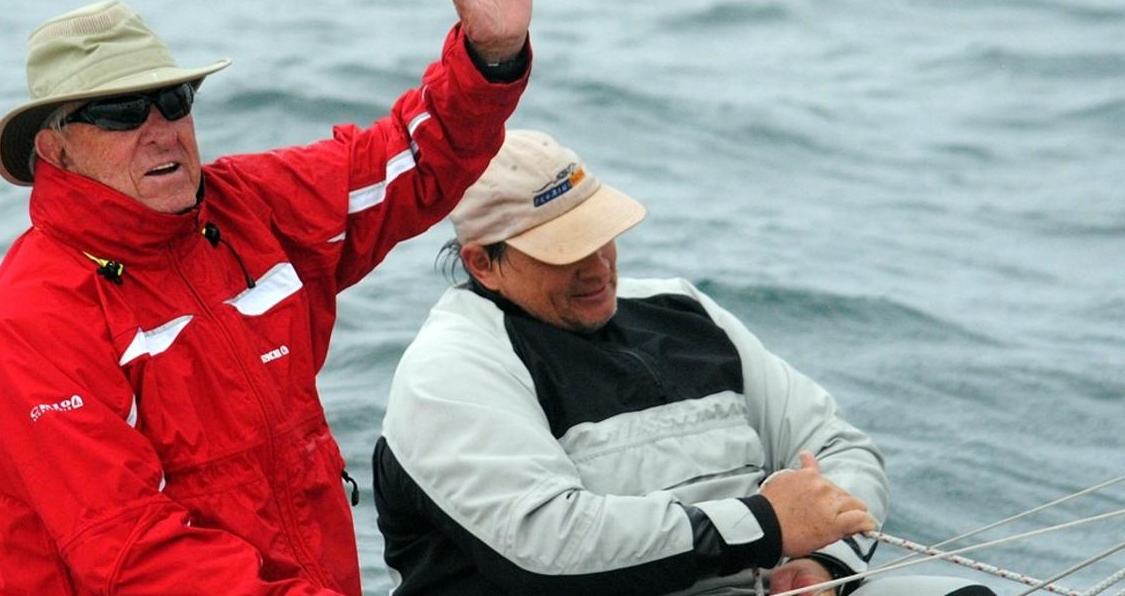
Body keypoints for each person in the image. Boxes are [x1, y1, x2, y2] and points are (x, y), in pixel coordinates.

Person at [0, 0, 531, 595]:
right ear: (56, 149)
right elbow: (133, 554)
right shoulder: (32, 320)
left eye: (174, 100)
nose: (159, 127)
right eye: (121, 112)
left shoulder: (251, 206)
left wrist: (489, 55)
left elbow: (410, 164)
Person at [372, 130, 998, 596]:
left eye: (600, 234)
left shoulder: (680, 308)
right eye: (564, 251)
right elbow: (549, 546)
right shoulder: (452, 369)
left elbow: (835, 444)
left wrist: (826, 566)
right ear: (483, 263)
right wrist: (764, 526)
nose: (597, 266)